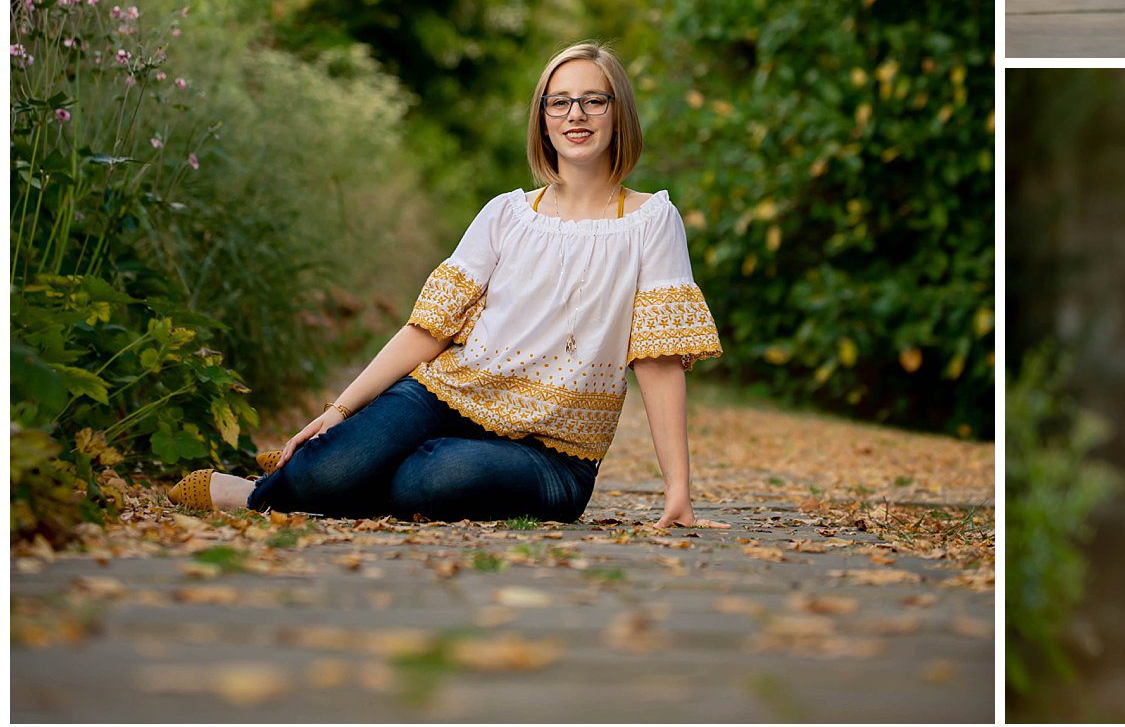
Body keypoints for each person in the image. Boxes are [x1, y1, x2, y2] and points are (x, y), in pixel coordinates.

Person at [167, 42, 720, 528]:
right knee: (340, 466)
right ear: (543, 119)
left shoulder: (650, 221)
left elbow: (658, 359)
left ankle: (291, 485)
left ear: (617, 113)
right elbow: (429, 328)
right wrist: (338, 412)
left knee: (428, 481)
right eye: (560, 101)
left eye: (594, 100)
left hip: (552, 456)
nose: (576, 114)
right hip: (446, 396)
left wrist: (678, 493)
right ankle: (315, 472)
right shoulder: (506, 214)